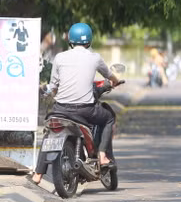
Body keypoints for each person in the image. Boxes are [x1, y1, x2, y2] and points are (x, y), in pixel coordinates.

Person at [31, 23, 122, 185]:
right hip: (85, 110)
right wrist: (115, 82)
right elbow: (110, 75)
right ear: (89, 41)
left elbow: (53, 86)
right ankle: (101, 155)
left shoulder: (59, 57)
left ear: (70, 41)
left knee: (48, 133)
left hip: (60, 109)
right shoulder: (95, 58)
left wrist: (46, 91)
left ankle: (38, 174)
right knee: (108, 118)